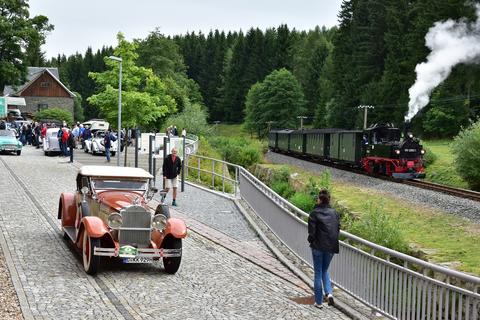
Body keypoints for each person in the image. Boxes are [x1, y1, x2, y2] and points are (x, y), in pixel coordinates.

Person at [307, 189, 340, 309]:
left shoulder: (314, 213)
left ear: (319, 200)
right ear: (329, 199)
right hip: (331, 247)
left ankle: (319, 302)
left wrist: (311, 242)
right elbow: (337, 229)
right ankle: (329, 293)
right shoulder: (335, 213)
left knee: (318, 273)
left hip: (318, 246)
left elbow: (311, 233)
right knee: (324, 270)